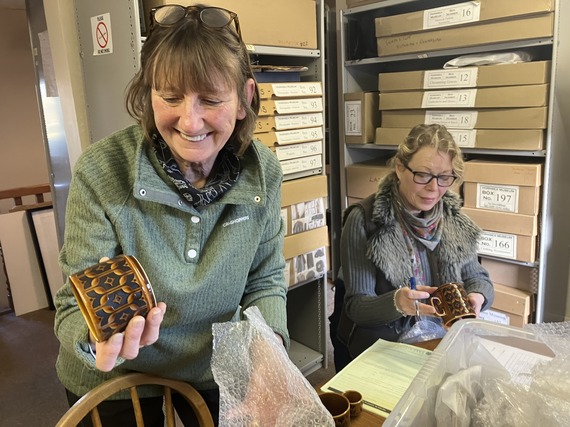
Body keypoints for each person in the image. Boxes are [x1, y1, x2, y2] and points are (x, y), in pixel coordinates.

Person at [54, 4, 288, 426]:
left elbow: (265, 280)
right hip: (117, 371)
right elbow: (75, 303)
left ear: (244, 100)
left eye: (211, 99)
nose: (189, 120)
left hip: (213, 358)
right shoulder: (102, 172)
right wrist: (95, 335)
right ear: (148, 95)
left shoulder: (264, 172)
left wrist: (270, 351)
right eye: (170, 97)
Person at [331, 123, 494, 370]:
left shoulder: (452, 217)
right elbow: (357, 306)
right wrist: (397, 303)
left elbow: (477, 277)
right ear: (399, 168)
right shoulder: (365, 220)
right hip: (382, 345)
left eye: (444, 177)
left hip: (439, 341)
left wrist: (477, 296)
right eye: (423, 175)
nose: (433, 188)